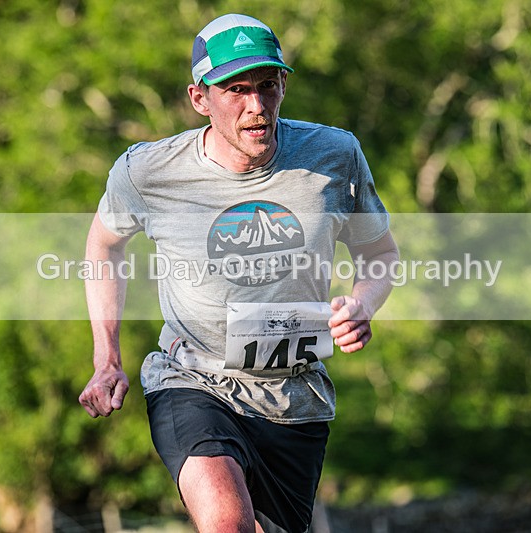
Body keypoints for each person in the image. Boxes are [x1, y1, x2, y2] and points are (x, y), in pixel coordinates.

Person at [79, 13, 399, 533]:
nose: (256, 107)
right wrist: (106, 357)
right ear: (199, 98)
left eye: (267, 87)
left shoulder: (333, 158)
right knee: (227, 521)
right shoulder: (148, 171)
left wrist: (362, 304)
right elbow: (103, 245)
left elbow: (380, 257)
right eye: (236, 90)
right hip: (194, 378)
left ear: (284, 86)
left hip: (295, 396)